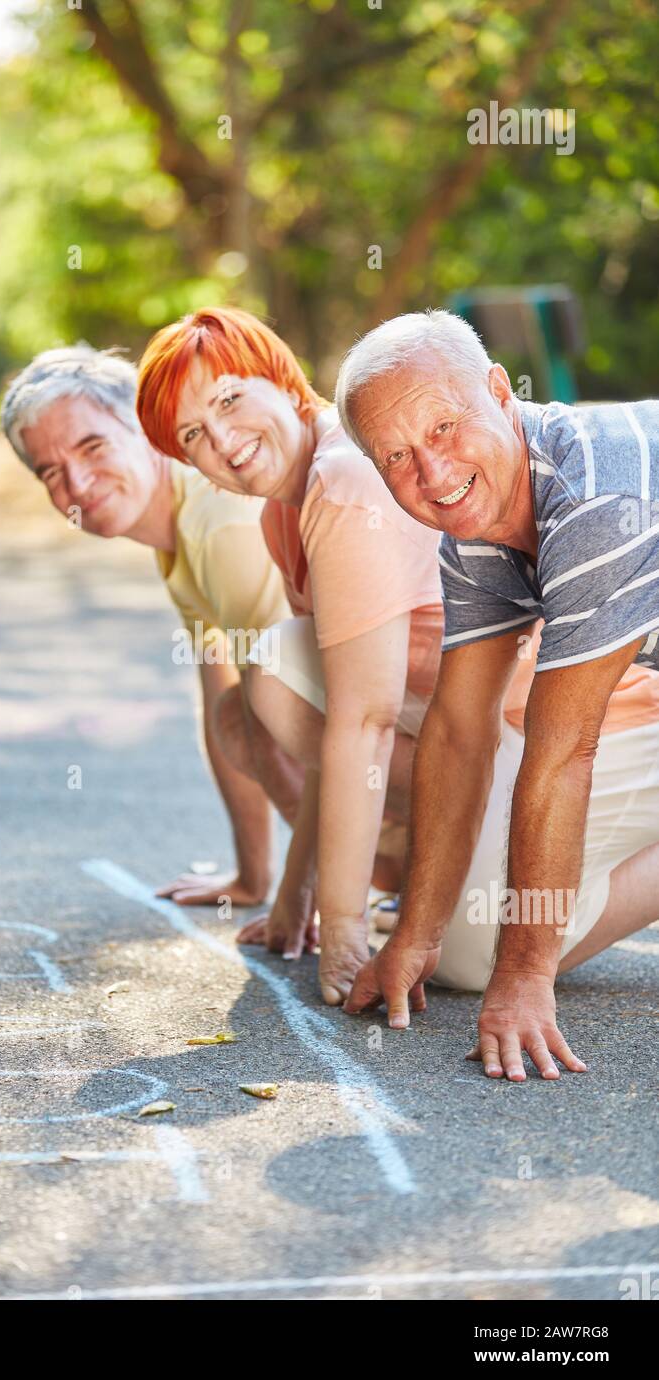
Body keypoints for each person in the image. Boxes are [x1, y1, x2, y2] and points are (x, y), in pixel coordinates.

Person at [336, 309, 659, 1081]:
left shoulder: (595, 499)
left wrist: (525, 976)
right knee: (460, 950)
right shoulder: (478, 523)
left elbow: (562, 753)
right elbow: (458, 729)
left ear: (498, 391)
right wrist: (415, 932)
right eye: (398, 456)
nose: (434, 474)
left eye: (444, 428)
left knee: (494, 949)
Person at [136, 307, 447, 1002]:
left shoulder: (340, 475)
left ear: (280, 377)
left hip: (514, 738)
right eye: (193, 434)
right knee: (274, 678)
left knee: (274, 671)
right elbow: (339, 723)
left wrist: (342, 935)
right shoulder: (286, 510)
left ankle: (468, 857)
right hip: (455, 738)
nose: (222, 439)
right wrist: (294, 895)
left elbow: (362, 725)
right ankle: (438, 861)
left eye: (228, 399)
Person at [0, 343, 295, 910]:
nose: (79, 485)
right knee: (244, 708)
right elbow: (225, 712)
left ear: (144, 425)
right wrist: (253, 879)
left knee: (275, 701)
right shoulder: (180, 530)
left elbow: (320, 720)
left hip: (440, 744)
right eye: (52, 472)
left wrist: (319, 899)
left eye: (93, 446)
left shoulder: (217, 524)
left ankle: (398, 879)